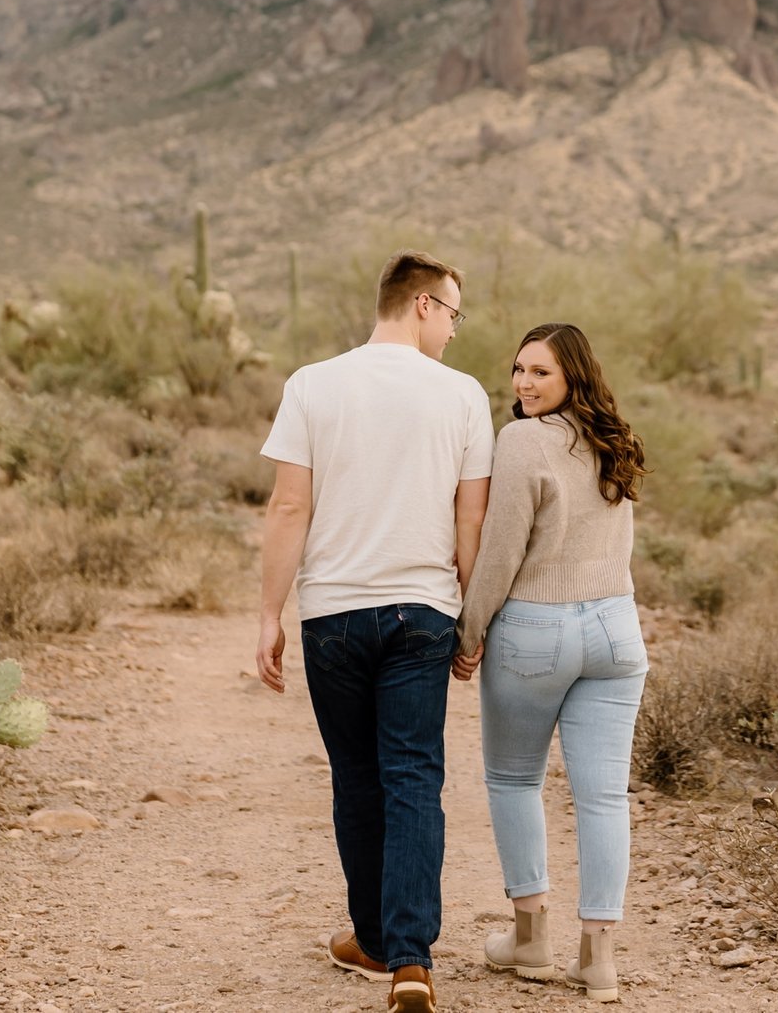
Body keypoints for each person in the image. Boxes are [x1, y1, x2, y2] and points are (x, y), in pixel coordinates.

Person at [256, 251, 493, 1013]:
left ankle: (373, 936)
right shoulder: (461, 396)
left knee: (357, 776)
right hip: (422, 610)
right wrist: (471, 614)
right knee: (414, 777)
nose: (455, 331)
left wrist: (269, 613)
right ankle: (411, 962)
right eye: (454, 314)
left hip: (332, 613)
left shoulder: (311, 384)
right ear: (423, 304)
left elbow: (289, 508)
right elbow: (472, 516)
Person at [454, 321, 648, 1005]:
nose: (524, 384)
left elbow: (501, 550)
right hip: (617, 631)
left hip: (536, 630)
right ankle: (598, 958)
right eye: (519, 370)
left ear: (573, 378)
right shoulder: (612, 437)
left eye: (541, 373)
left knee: (513, 781)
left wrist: (469, 630)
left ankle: (531, 939)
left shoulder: (523, 440)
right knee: (602, 797)